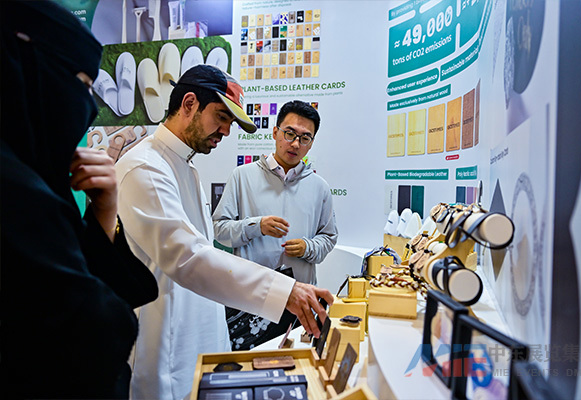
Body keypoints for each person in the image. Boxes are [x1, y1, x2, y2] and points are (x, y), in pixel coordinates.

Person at [115, 65, 333, 400]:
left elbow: (202, 251)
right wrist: (283, 291)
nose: (227, 131)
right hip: (167, 347)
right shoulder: (145, 167)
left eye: (231, 122)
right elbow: (187, 257)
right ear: (189, 103)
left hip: (200, 337)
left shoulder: (183, 166)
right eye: (221, 117)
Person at [0, 2, 158, 399]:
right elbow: (91, 335)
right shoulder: (18, 193)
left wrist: (103, 214)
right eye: (83, 86)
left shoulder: (31, 176)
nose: (88, 108)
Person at [212, 100, 338, 350]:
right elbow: (220, 230)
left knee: (295, 364)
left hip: (299, 301)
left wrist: (308, 247)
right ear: (275, 132)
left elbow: (329, 237)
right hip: (250, 299)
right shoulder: (242, 176)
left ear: (311, 143)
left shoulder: (319, 187)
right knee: (248, 365)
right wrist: (255, 226)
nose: (295, 144)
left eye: (305, 138)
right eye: (289, 133)